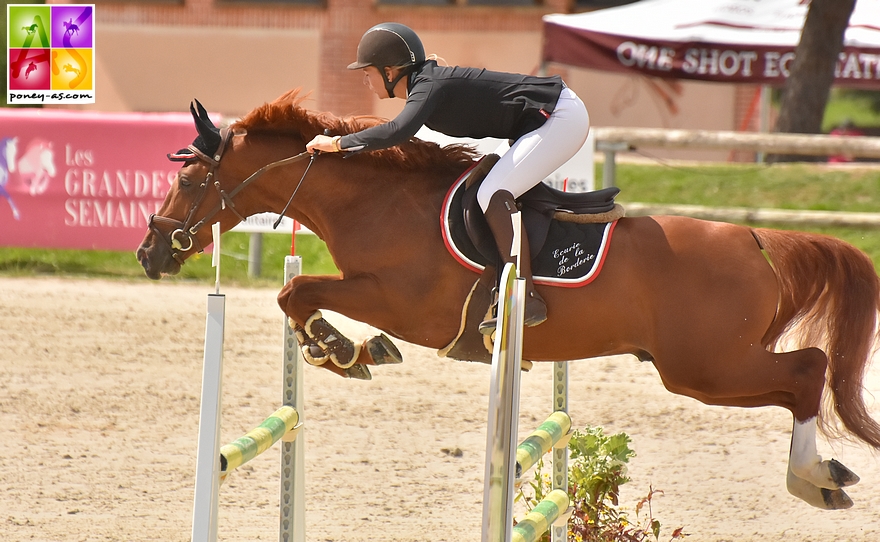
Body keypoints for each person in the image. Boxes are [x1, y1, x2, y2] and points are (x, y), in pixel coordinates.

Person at [306, 22, 590, 332]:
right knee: (485, 187)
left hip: (560, 117)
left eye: (367, 72)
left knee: (492, 194)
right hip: (541, 121)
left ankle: (524, 296)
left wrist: (336, 143)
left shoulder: (428, 85)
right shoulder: (427, 83)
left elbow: (397, 131)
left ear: (389, 73)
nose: (365, 79)